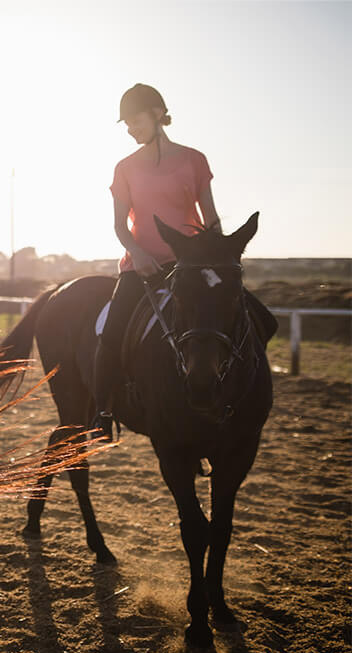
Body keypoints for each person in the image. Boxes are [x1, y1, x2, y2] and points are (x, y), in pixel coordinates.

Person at [93, 83, 274, 441]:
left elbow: (211, 221)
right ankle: (102, 411)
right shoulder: (124, 168)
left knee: (263, 322)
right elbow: (118, 224)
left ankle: (240, 395)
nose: (131, 128)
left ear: (158, 114)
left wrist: (220, 257)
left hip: (194, 268)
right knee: (111, 332)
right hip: (141, 269)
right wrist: (139, 254)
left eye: (135, 119)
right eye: (126, 123)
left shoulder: (194, 160)